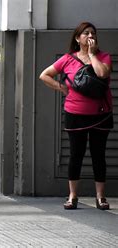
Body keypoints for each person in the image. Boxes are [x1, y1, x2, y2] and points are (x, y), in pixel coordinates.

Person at [39, 22, 113, 210]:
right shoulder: (67, 59)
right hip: (75, 113)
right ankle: (72, 195)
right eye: (86, 33)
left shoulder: (103, 57)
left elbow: (102, 73)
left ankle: (100, 196)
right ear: (77, 38)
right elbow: (44, 75)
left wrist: (91, 54)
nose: (90, 36)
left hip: (100, 113)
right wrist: (61, 87)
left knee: (98, 155)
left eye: (93, 33)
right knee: (76, 155)